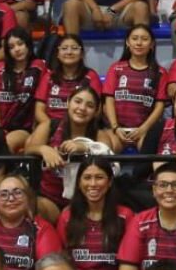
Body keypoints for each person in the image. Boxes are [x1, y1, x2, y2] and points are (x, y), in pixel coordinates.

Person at [57, 158, 134, 270]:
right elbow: (63, 258)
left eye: (99, 177)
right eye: (87, 177)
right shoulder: (67, 216)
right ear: (79, 182)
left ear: (110, 182)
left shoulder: (125, 216)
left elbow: (132, 262)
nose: (93, 184)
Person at [27, 86, 118, 217]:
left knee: (72, 216)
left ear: (96, 112)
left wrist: (86, 147)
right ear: (68, 102)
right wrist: (43, 149)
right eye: (78, 101)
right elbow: (28, 150)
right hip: (49, 197)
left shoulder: (100, 136)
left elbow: (110, 166)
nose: (82, 108)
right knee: (32, 206)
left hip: (86, 201)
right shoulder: (50, 126)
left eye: (90, 105)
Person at [0, 28, 47, 151]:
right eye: (11, 47)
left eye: (20, 44)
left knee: (7, 142)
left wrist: (36, 133)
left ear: (28, 44)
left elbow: (40, 101)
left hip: (25, 128)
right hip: (0, 126)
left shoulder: (39, 67)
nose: (17, 49)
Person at [35, 34, 102, 124]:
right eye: (64, 48)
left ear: (81, 54)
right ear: (57, 54)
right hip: (51, 126)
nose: (69, 52)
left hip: (81, 126)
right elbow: (39, 110)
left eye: (74, 48)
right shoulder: (49, 77)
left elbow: (97, 109)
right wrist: (53, 127)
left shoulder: (91, 76)